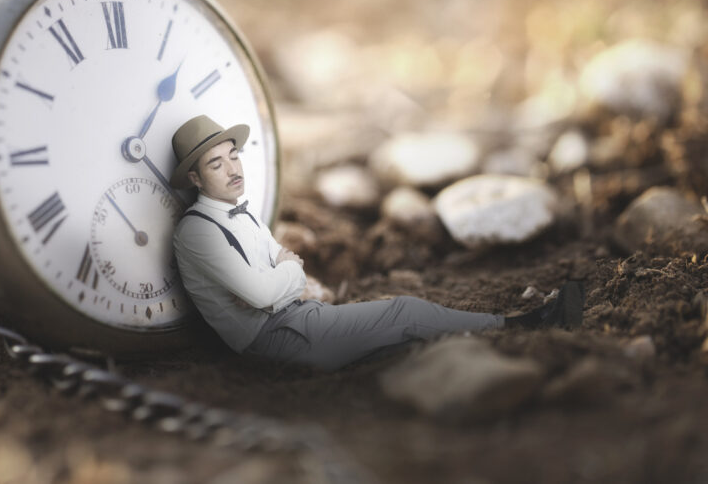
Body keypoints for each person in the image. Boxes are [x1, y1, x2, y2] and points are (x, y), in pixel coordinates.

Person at [170, 115, 583, 372]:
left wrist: (277, 278)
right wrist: (288, 270)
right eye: (215, 163)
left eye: (233, 156)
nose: (232, 168)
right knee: (406, 311)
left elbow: (267, 288)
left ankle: (508, 341)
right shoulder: (200, 230)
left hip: (294, 319)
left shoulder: (241, 212)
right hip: (275, 338)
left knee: (402, 340)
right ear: (194, 178)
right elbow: (264, 291)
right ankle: (524, 324)